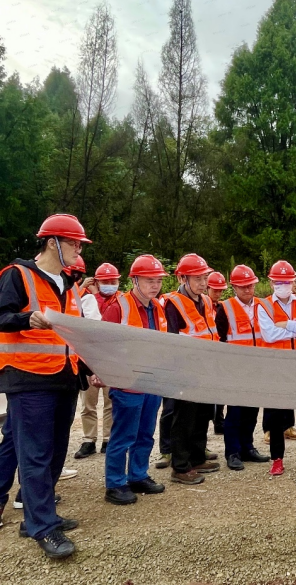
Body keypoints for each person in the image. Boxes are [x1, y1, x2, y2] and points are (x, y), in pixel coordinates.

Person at [0, 214, 94, 558]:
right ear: (52, 242)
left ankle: (37, 516)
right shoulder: (17, 275)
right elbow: (1, 317)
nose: (78, 249)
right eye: (74, 243)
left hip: (63, 377)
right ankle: (42, 526)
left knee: (53, 451)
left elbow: (74, 335)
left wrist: (90, 368)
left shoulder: (68, 283)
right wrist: (27, 319)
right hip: (29, 378)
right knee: (35, 454)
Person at [100, 255, 169, 504]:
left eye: (158, 281)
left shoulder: (158, 307)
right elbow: (102, 345)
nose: (155, 285)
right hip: (127, 383)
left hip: (151, 381)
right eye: (150, 280)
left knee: (145, 433)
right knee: (123, 435)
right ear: (135, 280)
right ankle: (115, 483)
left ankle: (138, 475)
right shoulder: (118, 307)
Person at [161, 253, 220, 485]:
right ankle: (180, 466)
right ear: (183, 278)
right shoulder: (172, 303)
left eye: (205, 278)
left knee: (203, 416)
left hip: (206, 369)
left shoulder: (205, 300)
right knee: (184, 419)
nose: (203, 283)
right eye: (198, 279)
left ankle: (197, 458)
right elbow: (171, 340)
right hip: (186, 371)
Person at [258, 260, 296, 476]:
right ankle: (277, 459)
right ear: (271, 283)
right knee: (276, 414)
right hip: (277, 365)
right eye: (278, 282)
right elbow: (269, 334)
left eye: (287, 282)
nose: (283, 286)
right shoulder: (264, 306)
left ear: (293, 282)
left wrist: (286, 325)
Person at [214, 265, 271, 471]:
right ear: (234, 287)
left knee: (252, 411)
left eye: (250, 285)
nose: (247, 289)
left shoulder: (264, 306)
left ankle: (247, 447)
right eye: (243, 286)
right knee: (235, 413)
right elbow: (220, 340)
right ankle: (233, 452)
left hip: (258, 368)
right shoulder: (225, 308)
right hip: (236, 370)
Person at [73, 260, 115, 460]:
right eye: (105, 281)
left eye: (113, 281)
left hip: (110, 358)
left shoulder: (122, 300)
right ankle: (89, 440)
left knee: (110, 402)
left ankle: (108, 438)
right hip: (87, 358)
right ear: (96, 282)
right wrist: (84, 290)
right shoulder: (83, 297)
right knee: (88, 403)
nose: (110, 284)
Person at [207, 271, 228, 435]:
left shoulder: (222, 307)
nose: (218, 293)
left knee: (220, 390)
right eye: (215, 290)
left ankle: (219, 422)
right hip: (207, 353)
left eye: (221, 290)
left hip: (220, 353)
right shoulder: (202, 306)